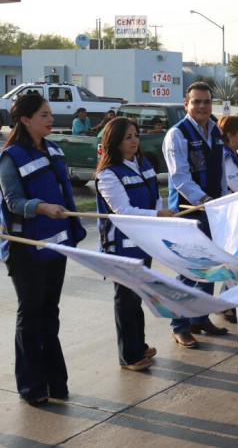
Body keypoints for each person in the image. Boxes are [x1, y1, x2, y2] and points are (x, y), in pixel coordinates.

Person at [0, 92, 87, 406]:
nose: (51, 120)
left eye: (50, 114)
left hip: (55, 244)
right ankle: (32, 385)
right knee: (31, 312)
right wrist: (42, 207)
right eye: (44, 115)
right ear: (25, 120)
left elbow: (65, 192)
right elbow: (14, 202)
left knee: (50, 311)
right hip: (25, 248)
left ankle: (55, 381)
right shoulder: (10, 157)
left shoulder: (54, 149)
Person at [95, 118, 175, 371]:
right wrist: (157, 216)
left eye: (136, 135)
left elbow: (155, 197)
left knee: (138, 294)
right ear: (114, 141)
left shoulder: (144, 163)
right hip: (121, 245)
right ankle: (129, 355)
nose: (134, 141)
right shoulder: (108, 174)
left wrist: (159, 216)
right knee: (126, 298)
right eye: (127, 137)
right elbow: (123, 210)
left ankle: (138, 344)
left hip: (143, 241)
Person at [163, 81, 229, 348]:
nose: (202, 106)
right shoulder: (176, 134)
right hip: (188, 211)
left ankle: (200, 318)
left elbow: (221, 172)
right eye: (196, 101)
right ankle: (179, 326)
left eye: (206, 101)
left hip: (212, 209)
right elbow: (179, 177)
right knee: (188, 271)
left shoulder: (215, 130)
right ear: (186, 104)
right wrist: (205, 201)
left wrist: (221, 201)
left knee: (210, 268)